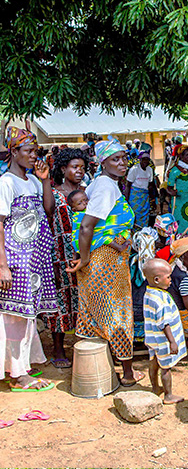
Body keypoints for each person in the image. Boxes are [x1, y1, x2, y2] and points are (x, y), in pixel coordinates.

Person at [67, 138, 144, 387]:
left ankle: (92, 370)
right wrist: (86, 258)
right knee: (117, 313)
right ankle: (128, 373)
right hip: (104, 261)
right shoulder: (104, 186)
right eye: (115, 159)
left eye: (123, 157)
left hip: (106, 258)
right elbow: (87, 226)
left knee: (92, 311)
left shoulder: (107, 184)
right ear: (102, 163)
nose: (122, 163)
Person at [0, 127, 56, 392]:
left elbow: (48, 209)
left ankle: (20, 365)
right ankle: (18, 375)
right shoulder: (5, 183)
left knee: (26, 314)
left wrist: (44, 180)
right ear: (13, 152)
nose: (35, 156)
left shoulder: (32, 181)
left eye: (36, 151)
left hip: (32, 260)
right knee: (14, 315)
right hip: (15, 259)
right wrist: (2, 266)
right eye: (29, 151)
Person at [42, 148, 89, 368]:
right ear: (63, 169)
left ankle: (85, 345)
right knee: (61, 300)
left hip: (84, 254)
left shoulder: (86, 193)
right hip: (59, 255)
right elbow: (49, 211)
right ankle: (58, 349)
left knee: (84, 298)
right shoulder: (55, 192)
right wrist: (45, 182)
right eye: (74, 167)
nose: (79, 171)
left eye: (82, 167)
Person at [143, 258, 187, 404]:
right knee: (166, 367)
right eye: (168, 277)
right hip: (163, 340)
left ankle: (155, 388)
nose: (170, 280)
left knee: (154, 362)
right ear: (157, 279)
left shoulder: (149, 293)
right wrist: (172, 342)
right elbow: (164, 323)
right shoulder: (160, 299)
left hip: (152, 338)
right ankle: (168, 395)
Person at [167, 145, 188, 235]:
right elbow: (168, 188)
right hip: (179, 202)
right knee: (181, 222)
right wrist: (172, 192)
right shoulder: (175, 171)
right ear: (181, 157)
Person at [126, 150, 155, 230]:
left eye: (147, 159)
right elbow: (128, 185)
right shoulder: (134, 169)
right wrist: (126, 200)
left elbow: (151, 185)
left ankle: (143, 232)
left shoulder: (150, 170)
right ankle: (135, 233)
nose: (146, 161)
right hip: (135, 196)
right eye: (144, 159)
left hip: (145, 196)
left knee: (145, 214)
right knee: (135, 214)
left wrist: (152, 199)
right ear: (140, 160)